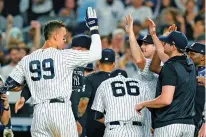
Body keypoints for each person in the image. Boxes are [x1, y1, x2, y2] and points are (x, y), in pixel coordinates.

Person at [0, 7, 102, 137]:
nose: (65, 41)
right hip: (60, 111)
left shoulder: (27, 59)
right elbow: (97, 53)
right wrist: (94, 28)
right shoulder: (64, 55)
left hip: (38, 115)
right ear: (55, 36)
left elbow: (10, 85)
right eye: (64, 37)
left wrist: (20, 92)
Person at [136, 30, 196, 137]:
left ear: (173, 47)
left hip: (170, 125)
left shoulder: (170, 67)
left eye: (166, 43)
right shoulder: (190, 63)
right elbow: (158, 56)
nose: (163, 44)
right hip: (188, 125)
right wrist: (155, 35)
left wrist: (143, 104)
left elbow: (165, 100)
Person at [91, 69, 152, 137]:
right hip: (137, 130)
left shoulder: (105, 83)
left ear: (111, 78)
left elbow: (98, 115)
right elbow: (152, 108)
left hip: (114, 130)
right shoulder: (141, 84)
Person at [125, 14, 158, 137]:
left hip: (151, 112)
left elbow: (139, 60)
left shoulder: (156, 64)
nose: (143, 46)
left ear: (156, 47)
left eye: (147, 44)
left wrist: (130, 33)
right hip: (145, 110)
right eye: (142, 44)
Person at [84, 48, 116, 137]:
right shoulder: (120, 81)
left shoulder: (89, 78)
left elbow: (83, 103)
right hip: (114, 126)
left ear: (98, 62)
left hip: (93, 125)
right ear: (114, 64)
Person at [186, 42, 206, 137]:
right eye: (188, 53)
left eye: (192, 54)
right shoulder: (186, 72)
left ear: (202, 57)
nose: (188, 56)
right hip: (189, 123)